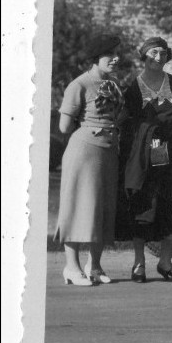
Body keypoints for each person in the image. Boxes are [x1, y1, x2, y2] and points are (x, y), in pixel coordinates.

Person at [117, 37, 172, 283]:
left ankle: (166, 262)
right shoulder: (131, 86)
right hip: (141, 157)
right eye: (153, 52)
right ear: (144, 55)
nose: (158, 57)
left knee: (171, 206)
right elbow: (121, 119)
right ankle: (139, 263)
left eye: (163, 53)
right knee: (142, 206)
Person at [54, 34, 125, 286]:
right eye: (110, 54)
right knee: (79, 206)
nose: (116, 58)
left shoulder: (113, 83)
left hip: (108, 151)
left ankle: (94, 266)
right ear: (96, 57)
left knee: (103, 208)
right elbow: (64, 127)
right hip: (85, 152)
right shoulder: (80, 84)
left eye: (118, 53)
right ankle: (71, 268)